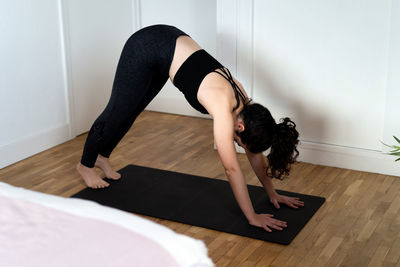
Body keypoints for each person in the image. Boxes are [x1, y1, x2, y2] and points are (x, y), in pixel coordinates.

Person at [76, 24, 304, 232]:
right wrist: (252, 216)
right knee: (117, 110)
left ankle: (102, 157)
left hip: (165, 50)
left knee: (132, 110)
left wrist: (271, 192)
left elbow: (254, 154)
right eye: (238, 142)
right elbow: (232, 169)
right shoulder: (222, 107)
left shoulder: (245, 105)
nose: (237, 144)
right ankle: (86, 165)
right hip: (147, 44)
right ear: (240, 126)